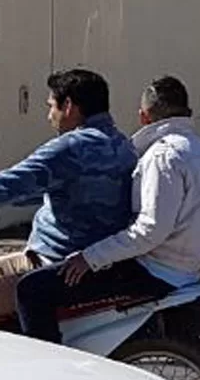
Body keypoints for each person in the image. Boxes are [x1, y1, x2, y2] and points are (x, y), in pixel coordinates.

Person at [15, 77, 200, 345]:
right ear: (188, 112)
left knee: (31, 289)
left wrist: (89, 258)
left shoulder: (163, 157)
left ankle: (50, 369)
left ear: (143, 116)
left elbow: (150, 230)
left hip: (154, 271)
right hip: (187, 269)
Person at [0, 70, 136, 323]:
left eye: (51, 106)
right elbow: (45, 189)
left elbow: (12, 184)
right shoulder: (123, 144)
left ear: (69, 106)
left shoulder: (70, 148)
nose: (49, 115)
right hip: (98, 260)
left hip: (55, 263)